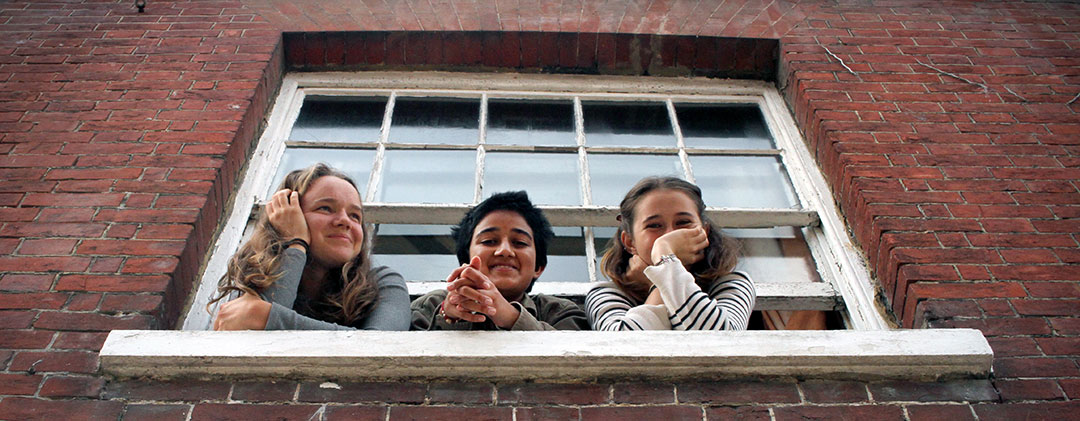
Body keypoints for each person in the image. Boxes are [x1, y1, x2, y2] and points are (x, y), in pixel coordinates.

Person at [210, 163, 410, 331]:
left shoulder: (384, 282)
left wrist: (270, 318)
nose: (344, 221)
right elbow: (256, 338)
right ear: (289, 214)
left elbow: (382, 345)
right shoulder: (253, 276)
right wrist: (295, 242)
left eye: (354, 215)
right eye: (325, 208)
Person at [586, 176, 756, 331]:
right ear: (630, 242)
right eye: (654, 225)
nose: (669, 234)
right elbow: (623, 349)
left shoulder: (733, 284)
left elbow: (721, 337)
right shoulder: (606, 294)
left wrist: (663, 259)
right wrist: (664, 273)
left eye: (683, 222)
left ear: (704, 231)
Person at [411, 191, 589, 331]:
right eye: (489, 241)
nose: (505, 250)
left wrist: (510, 317)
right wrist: (449, 318)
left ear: (538, 267)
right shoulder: (429, 306)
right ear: (466, 259)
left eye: (519, 243)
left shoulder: (560, 312)